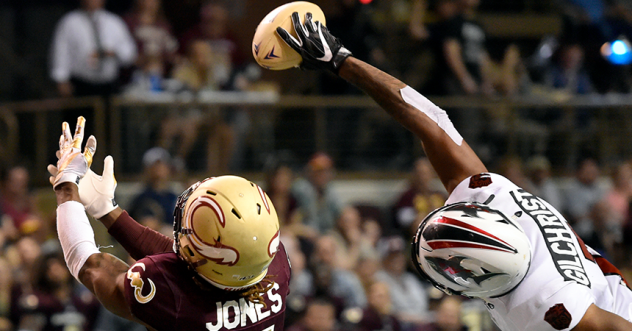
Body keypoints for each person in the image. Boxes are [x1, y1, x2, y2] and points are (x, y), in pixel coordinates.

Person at [275, 12, 632, 330]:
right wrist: (342, 61)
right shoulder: (496, 198)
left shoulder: (546, 307)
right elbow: (431, 122)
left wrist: (343, 62)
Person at [46, 117, 291, 330]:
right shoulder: (274, 263)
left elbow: (90, 266)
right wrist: (107, 211)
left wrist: (66, 189)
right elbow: (190, 262)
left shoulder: (177, 304)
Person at [50, 0, 136, 98]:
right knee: (81, 113)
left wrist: (114, 53)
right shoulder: (69, 22)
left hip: (109, 85)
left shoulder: (114, 22)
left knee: (108, 112)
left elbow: (129, 54)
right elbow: (60, 52)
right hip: (81, 84)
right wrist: (61, 79)